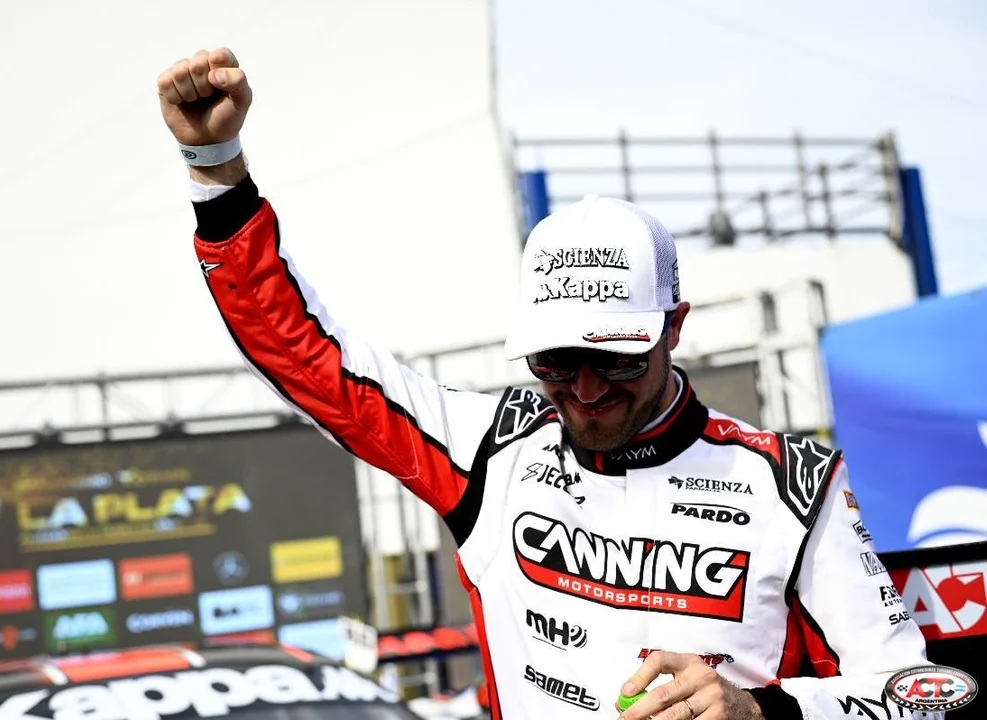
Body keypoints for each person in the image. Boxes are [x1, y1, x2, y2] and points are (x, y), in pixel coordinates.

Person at [157, 48, 940, 720]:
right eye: (554, 362)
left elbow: (919, 693)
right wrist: (215, 167)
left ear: (674, 326)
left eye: (617, 359)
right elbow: (304, 356)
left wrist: (760, 709)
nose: (586, 389)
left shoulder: (793, 484)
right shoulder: (487, 448)